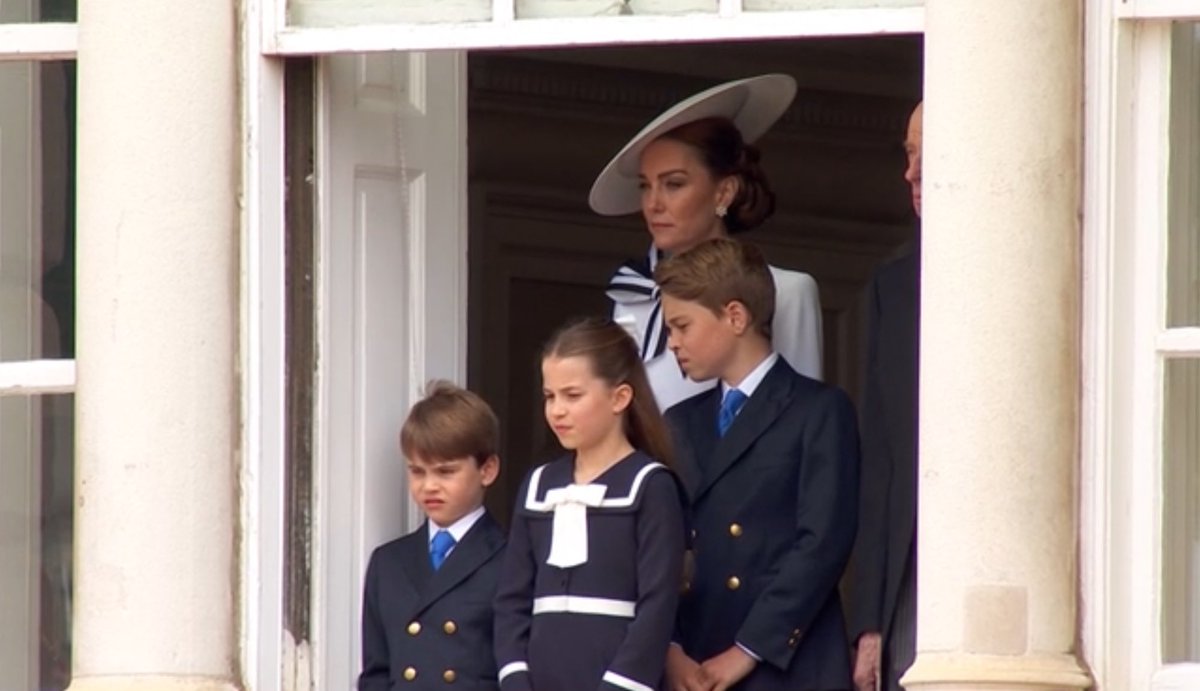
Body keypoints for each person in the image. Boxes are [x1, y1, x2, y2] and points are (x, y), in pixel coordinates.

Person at [656, 238, 859, 691]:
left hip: (786, 660)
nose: (673, 343)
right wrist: (670, 649)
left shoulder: (819, 410)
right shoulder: (679, 423)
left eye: (682, 326)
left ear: (735, 317)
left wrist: (747, 650)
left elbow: (822, 543)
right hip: (697, 660)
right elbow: (659, 550)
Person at [590, 74, 823, 411]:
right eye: (645, 186)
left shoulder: (786, 290)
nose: (653, 203)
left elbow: (804, 420)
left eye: (673, 184)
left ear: (723, 191)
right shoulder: (633, 292)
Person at [493, 317, 687, 691]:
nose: (557, 410)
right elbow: (511, 599)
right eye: (550, 396)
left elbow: (658, 606)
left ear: (620, 397)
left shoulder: (649, 486)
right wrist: (515, 677)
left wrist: (621, 684)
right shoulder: (538, 485)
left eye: (572, 395)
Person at [358, 381, 507, 691]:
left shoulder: (512, 558)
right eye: (417, 471)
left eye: (445, 472)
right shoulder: (388, 562)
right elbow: (376, 673)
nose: (429, 486)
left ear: (488, 470)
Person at [845, 100, 923, 691]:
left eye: (929, 153)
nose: (912, 173)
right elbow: (881, 461)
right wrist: (870, 623)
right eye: (909, 153)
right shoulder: (892, 287)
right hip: (907, 586)